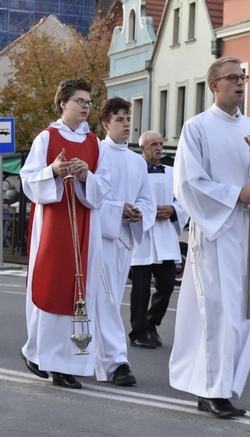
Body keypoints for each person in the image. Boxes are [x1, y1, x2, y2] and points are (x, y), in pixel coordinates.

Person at [169, 56, 250, 418]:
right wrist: (235, 194)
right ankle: (212, 389)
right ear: (214, 85)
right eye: (232, 77)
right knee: (218, 312)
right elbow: (188, 182)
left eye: (243, 77)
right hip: (216, 232)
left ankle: (224, 384)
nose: (240, 83)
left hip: (247, 233)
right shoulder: (197, 128)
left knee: (242, 312)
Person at [19, 78, 111, 390]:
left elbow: (105, 185)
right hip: (54, 225)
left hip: (85, 224)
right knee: (52, 286)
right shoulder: (46, 138)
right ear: (63, 104)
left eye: (89, 102)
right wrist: (53, 172)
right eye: (80, 101)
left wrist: (87, 176)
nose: (86, 107)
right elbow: (28, 181)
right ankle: (45, 357)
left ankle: (67, 363)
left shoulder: (96, 143)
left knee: (80, 295)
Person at [94, 98, 155, 386]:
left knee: (110, 300)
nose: (126, 123)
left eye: (128, 118)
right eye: (119, 119)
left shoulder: (137, 162)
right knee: (105, 299)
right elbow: (90, 196)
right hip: (99, 237)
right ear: (106, 125)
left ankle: (89, 357)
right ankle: (118, 363)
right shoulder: (97, 154)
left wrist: (139, 212)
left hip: (124, 240)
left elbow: (146, 198)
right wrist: (118, 209)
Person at [128, 130, 188, 349]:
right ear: (143, 148)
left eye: (161, 143)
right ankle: (138, 332)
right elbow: (127, 198)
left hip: (164, 236)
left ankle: (152, 323)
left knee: (167, 285)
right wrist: (144, 210)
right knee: (140, 289)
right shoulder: (134, 171)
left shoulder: (172, 172)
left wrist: (173, 210)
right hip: (142, 236)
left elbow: (183, 200)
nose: (158, 148)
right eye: (153, 144)